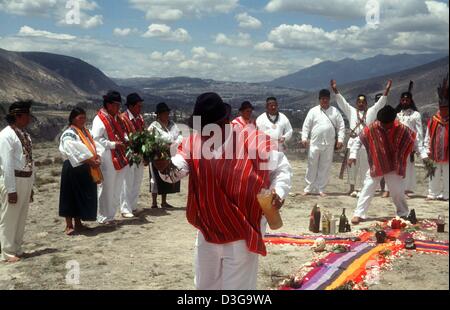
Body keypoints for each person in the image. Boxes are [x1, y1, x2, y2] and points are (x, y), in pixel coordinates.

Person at [153, 92, 292, 290]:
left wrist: (279, 190)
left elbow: (281, 167)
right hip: (208, 229)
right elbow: (174, 172)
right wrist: (163, 166)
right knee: (204, 287)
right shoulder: (194, 143)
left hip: (242, 229)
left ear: (226, 121)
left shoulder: (251, 139)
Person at [349, 105, 428, 224]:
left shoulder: (402, 129)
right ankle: (359, 214)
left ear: (393, 121)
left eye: (388, 124)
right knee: (367, 188)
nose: (385, 126)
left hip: (393, 164)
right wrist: (352, 155)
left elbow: (416, 143)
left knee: (397, 191)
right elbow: (358, 141)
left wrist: (424, 156)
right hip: (377, 163)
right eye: (383, 123)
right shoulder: (372, 128)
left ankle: (402, 213)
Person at [331, 79, 392, 197]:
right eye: (358, 102)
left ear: (366, 104)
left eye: (363, 102)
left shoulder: (371, 112)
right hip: (353, 142)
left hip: (366, 143)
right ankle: (351, 188)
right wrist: (335, 90)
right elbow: (342, 102)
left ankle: (365, 188)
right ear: (356, 103)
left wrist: (387, 90)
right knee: (352, 166)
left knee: (366, 166)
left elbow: (380, 103)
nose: (360, 104)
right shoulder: (351, 111)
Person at [59, 108, 103, 235]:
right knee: (70, 195)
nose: (83, 120)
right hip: (73, 167)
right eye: (80, 118)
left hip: (85, 167)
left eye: (84, 117)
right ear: (73, 118)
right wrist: (90, 161)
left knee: (81, 195)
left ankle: (78, 223)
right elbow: (73, 150)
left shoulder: (85, 132)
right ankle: (69, 225)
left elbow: (94, 146)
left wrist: (97, 156)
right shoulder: (69, 133)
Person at [0, 101, 34, 263]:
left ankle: (17, 247)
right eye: (26, 116)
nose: (29, 119)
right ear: (17, 116)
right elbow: (6, 164)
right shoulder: (6, 135)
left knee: (21, 215)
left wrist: (31, 185)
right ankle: (7, 251)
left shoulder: (24, 135)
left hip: (25, 179)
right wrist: (11, 189)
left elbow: (29, 160)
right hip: (13, 179)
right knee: (10, 217)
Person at [92, 91, 129, 224]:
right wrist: (114, 144)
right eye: (116, 105)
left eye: (119, 105)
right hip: (107, 156)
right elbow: (97, 138)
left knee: (116, 187)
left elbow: (122, 131)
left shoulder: (116, 118)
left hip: (119, 155)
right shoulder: (99, 119)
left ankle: (111, 215)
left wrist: (125, 139)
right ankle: (103, 216)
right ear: (108, 105)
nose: (118, 108)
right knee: (107, 187)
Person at [301, 89, 345, 197]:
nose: (324, 100)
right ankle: (308, 188)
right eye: (322, 99)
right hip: (315, 143)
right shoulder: (313, 111)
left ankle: (321, 188)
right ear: (319, 99)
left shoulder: (335, 111)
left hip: (329, 143)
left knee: (325, 166)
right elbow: (306, 126)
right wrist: (304, 138)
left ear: (329, 99)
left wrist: (340, 139)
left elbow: (341, 126)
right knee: (312, 165)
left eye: (326, 98)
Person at [388, 89, 425, 197]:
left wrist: (417, 147)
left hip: (409, 145)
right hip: (397, 145)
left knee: (408, 167)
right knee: (396, 167)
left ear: (410, 101)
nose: (404, 102)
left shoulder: (416, 115)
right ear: (400, 101)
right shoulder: (397, 114)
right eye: (403, 100)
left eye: (407, 100)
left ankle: (407, 189)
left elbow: (419, 132)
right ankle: (396, 188)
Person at [148, 102, 183, 209]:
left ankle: (164, 201)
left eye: (167, 113)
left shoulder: (172, 125)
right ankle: (154, 202)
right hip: (157, 155)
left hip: (170, 153)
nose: (166, 115)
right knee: (155, 177)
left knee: (166, 176)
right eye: (164, 113)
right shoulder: (153, 126)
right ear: (159, 114)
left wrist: (174, 144)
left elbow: (179, 136)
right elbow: (149, 140)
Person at [119, 93, 146, 218]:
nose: (140, 108)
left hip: (139, 153)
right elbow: (123, 136)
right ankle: (125, 208)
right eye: (138, 106)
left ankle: (133, 205)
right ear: (130, 106)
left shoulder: (139, 118)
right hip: (129, 154)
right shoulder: (123, 118)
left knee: (137, 180)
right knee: (127, 181)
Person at [424, 76, 449, 201]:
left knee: (448, 175)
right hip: (434, 152)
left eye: (446, 109)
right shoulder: (434, 120)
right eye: (442, 109)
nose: (444, 111)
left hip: (448, 154)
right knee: (433, 173)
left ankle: (447, 194)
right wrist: (427, 149)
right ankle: (433, 193)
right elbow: (428, 136)